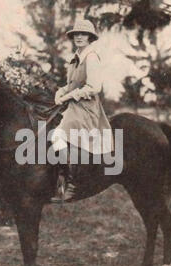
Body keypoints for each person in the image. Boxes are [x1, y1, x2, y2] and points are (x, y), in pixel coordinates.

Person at [50, 19, 114, 203]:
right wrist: (60, 92)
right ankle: (56, 178)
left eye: (83, 34)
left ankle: (72, 184)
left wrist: (69, 96)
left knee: (57, 136)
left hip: (86, 107)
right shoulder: (74, 59)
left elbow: (94, 87)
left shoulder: (91, 57)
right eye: (76, 34)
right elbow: (71, 85)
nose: (79, 37)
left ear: (90, 38)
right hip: (74, 105)